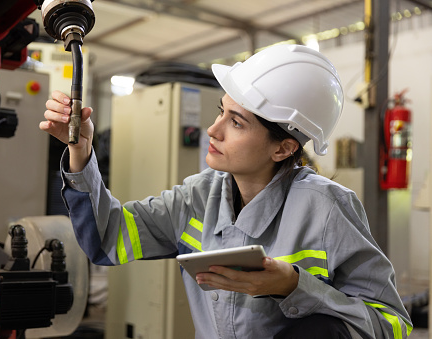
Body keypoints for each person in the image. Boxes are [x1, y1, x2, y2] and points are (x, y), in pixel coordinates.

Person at [40, 44, 412, 338]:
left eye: (236, 122)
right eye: (221, 112)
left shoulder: (327, 208)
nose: (213, 130)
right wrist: (81, 151)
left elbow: (391, 323)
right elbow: (107, 238)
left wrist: (296, 287)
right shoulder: (198, 198)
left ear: (282, 148)